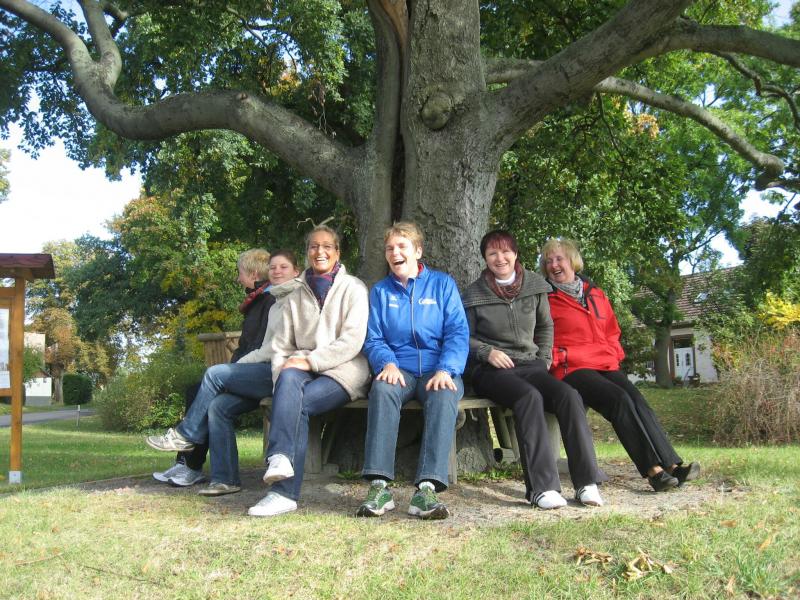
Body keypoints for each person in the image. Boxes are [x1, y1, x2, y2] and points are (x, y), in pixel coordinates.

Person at [541, 237, 700, 492]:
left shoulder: (594, 293)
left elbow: (612, 330)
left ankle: (672, 466)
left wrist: (614, 353)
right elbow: (539, 334)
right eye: (548, 261)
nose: (553, 265)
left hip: (603, 362)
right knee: (619, 400)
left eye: (559, 258)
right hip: (571, 367)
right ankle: (653, 471)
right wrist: (557, 356)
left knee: (637, 399)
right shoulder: (544, 297)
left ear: (572, 261)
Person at [462, 230, 606, 509]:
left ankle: (587, 482)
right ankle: (542, 488)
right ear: (485, 258)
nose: (500, 258)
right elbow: (462, 336)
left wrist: (544, 358)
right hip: (490, 371)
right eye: (492, 253)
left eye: (506, 251)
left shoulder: (536, 286)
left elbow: (545, 326)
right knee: (528, 397)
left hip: (531, 365)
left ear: (515, 254)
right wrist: (487, 352)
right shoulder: (473, 295)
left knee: (568, 395)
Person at [146, 249, 302, 496]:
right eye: (273, 267)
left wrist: (234, 369)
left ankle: (186, 436)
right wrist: (238, 368)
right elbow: (265, 348)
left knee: (213, 374)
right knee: (218, 406)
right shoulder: (274, 303)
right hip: (264, 370)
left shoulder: (296, 299)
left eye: (283, 267)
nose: (276, 271)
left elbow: (277, 349)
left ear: (296, 271)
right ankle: (225, 479)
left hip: (287, 376)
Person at [248, 225, 371, 517]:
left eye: (327, 246)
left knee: (298, 403)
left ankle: (283, 493)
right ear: (307, 253)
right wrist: (281, 381)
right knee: (288, 375)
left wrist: (311, 361)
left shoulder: (354, 288)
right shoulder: (295, 294)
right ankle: (280, 459)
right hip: (301, 368)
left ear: (337, 252)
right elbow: (281, 348)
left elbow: (352, 341)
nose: (320, 251)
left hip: (345, 370)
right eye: (314, 246)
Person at [357, 222, 469, 520]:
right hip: (399, 369)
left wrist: (446, 369)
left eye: (401, 246)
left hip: (437, 368)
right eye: (389, 248)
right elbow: (374, 337)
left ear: (417, 251)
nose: (395, 253)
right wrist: (387, 363)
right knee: (382, 389)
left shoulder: (442, 284)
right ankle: (379, 487)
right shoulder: (381, 291)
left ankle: (427, 490)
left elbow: (457, 332)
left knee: (444, 395)